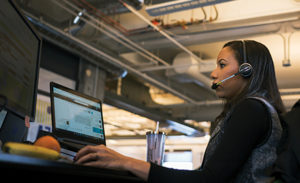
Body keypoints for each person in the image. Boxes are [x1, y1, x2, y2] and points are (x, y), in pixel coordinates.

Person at [74, 40, 285, 183]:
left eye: (222, 65)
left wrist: (125, 161)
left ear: (246, 70)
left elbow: (208, 180)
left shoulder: (251, 109)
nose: (213, 73)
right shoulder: (260, 109)